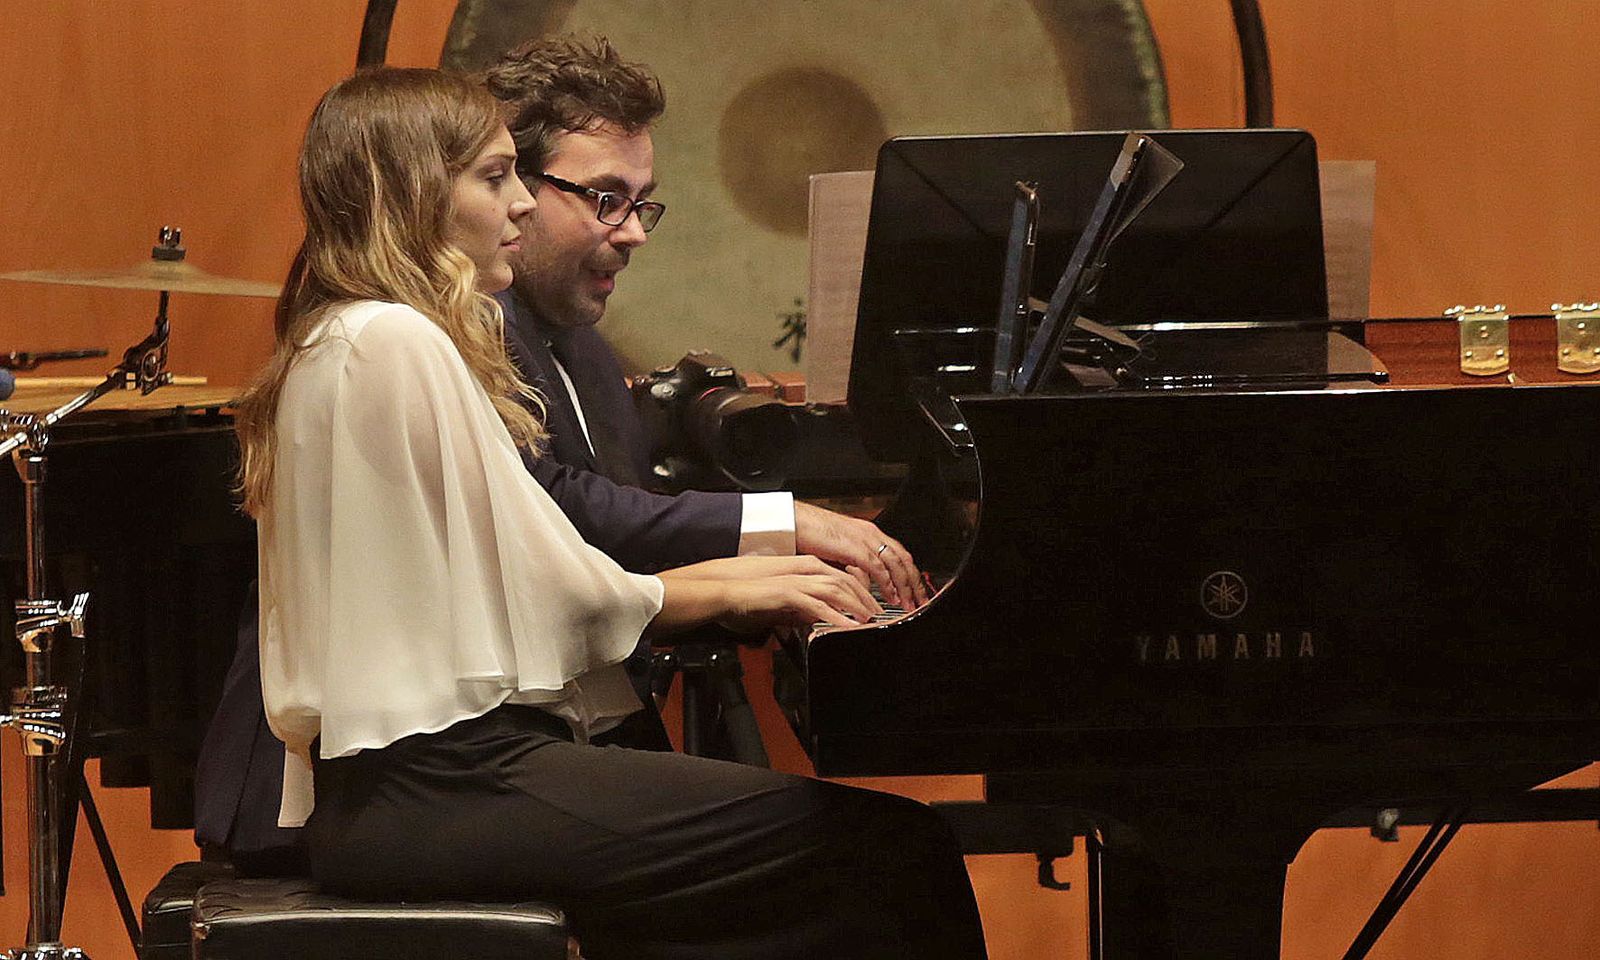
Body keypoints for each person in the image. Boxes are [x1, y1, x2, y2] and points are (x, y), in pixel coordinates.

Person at [232, 66, 986, 960]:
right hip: (447, 783)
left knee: (829, 873)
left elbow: (522, 564)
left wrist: (734, 574)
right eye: (494, 177)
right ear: (414, 189)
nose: (518, 206)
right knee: (899, 852)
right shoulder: (395, 341)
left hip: (407, 790)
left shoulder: (340, 334)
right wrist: (735, 583)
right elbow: (556, 590)